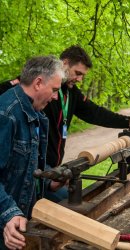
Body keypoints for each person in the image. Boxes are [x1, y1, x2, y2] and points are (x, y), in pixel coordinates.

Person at [1, 45, 130, 202]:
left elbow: (95, 113)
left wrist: (128, 121)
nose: (80, 79)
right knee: (67, 201)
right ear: (64, 64)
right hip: (29, 167)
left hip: (49, 170)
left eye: (83, 76)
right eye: (77, 73)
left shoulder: (71, 93)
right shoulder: (33, 87)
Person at [0, 55, 64, 250]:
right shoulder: (6, 114)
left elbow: (25, 165)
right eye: (54, 90)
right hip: (6, 224)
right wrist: (9, 213)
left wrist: (48, 180)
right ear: (38, 83)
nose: (55, 97)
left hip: (22, 218)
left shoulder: (35, 113)